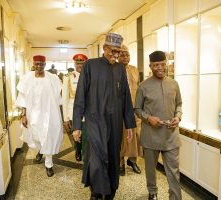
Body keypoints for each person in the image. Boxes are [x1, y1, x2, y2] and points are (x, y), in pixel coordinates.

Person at [72, 33, 136, 200]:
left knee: (113, 156)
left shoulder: (120, 68)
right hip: (94, 120)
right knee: (96, 157)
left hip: (115, 122)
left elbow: (126, 97)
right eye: (113, 51)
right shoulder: (89, 66)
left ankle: (110, 191)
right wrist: (77, 125)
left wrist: (129, 124)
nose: (115, 55)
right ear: (105, 48)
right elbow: (80, 96)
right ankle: (96, 191)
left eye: (118, 51)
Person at [135, 51, 182, 200]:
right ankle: (153, 192)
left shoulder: (174, 84)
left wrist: (178, 116)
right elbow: (137, 109)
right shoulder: (143, 86)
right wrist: (149, 119)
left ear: (166, 63)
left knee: (174, 171)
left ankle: (175, 197)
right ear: (151, 66)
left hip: (171, 135)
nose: (160, 68)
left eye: (162, 64)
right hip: (151, 136)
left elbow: (179, 104)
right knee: (150, 169)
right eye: (156, 65)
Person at [15, 55, 63, 177]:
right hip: (33, 114)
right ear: (33, 63)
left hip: (49, 114)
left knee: (48, 137)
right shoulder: (26, 78)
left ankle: (49, 164)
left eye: (41, 64)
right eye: (37, 64)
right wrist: (24, 115)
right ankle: (40, 151)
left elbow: (58, 97)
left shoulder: (53, 78)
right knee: (35, 136)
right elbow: (23, 98)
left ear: (45, 64)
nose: (39, 66)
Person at [118, 45, 142, 176]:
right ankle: (120, 161)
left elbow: (137, 88)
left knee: (136, 135)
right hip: (119, 109)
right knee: (121, 136)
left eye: (127, 55)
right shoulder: (114, 69)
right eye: (122, 55)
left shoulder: (134, 70)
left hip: (133, 108)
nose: (125, 57)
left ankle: (132, 160)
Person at [62, 53, 88, 161]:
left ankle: (86, 151)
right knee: (77, 133)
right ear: (74, 64)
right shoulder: (68, 77)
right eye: (77, 63)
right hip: (73, 110)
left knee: (86, 133)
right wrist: (65, 118)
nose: (80, 66)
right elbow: (64, 98)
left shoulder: (90, 75)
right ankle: (78, 150)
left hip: (88, 111)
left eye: (82, 63)